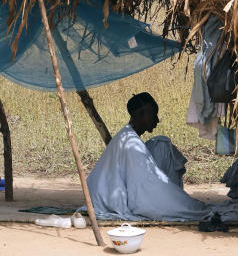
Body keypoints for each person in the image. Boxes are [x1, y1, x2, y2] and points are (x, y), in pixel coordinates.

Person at [85, 92, 209, 222]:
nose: (157, 120)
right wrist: (181, 203)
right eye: (153, 115)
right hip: (108, 199)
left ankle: (172, 197)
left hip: (100, 195)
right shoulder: (131, 142)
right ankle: (171, 200)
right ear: (140, 115)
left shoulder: (127, 135)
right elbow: (144, 185)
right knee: (163, 145)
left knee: (161, 143)